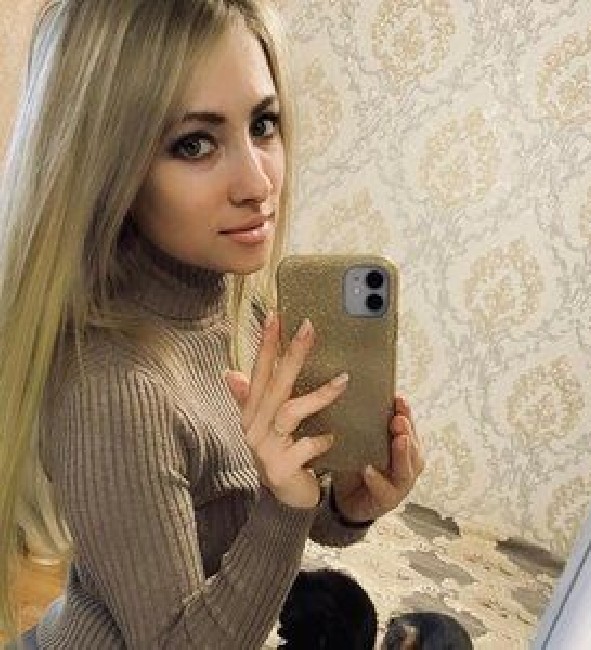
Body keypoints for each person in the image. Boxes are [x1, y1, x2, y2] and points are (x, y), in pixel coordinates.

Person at [0, 1, 424, 648]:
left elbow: (256, 516)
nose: (257, 182)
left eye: (263, 124)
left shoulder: (241, 311)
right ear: (109, 168)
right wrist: (286, 506)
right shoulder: (115, 388)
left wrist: (343, 504)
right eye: (194, 143)